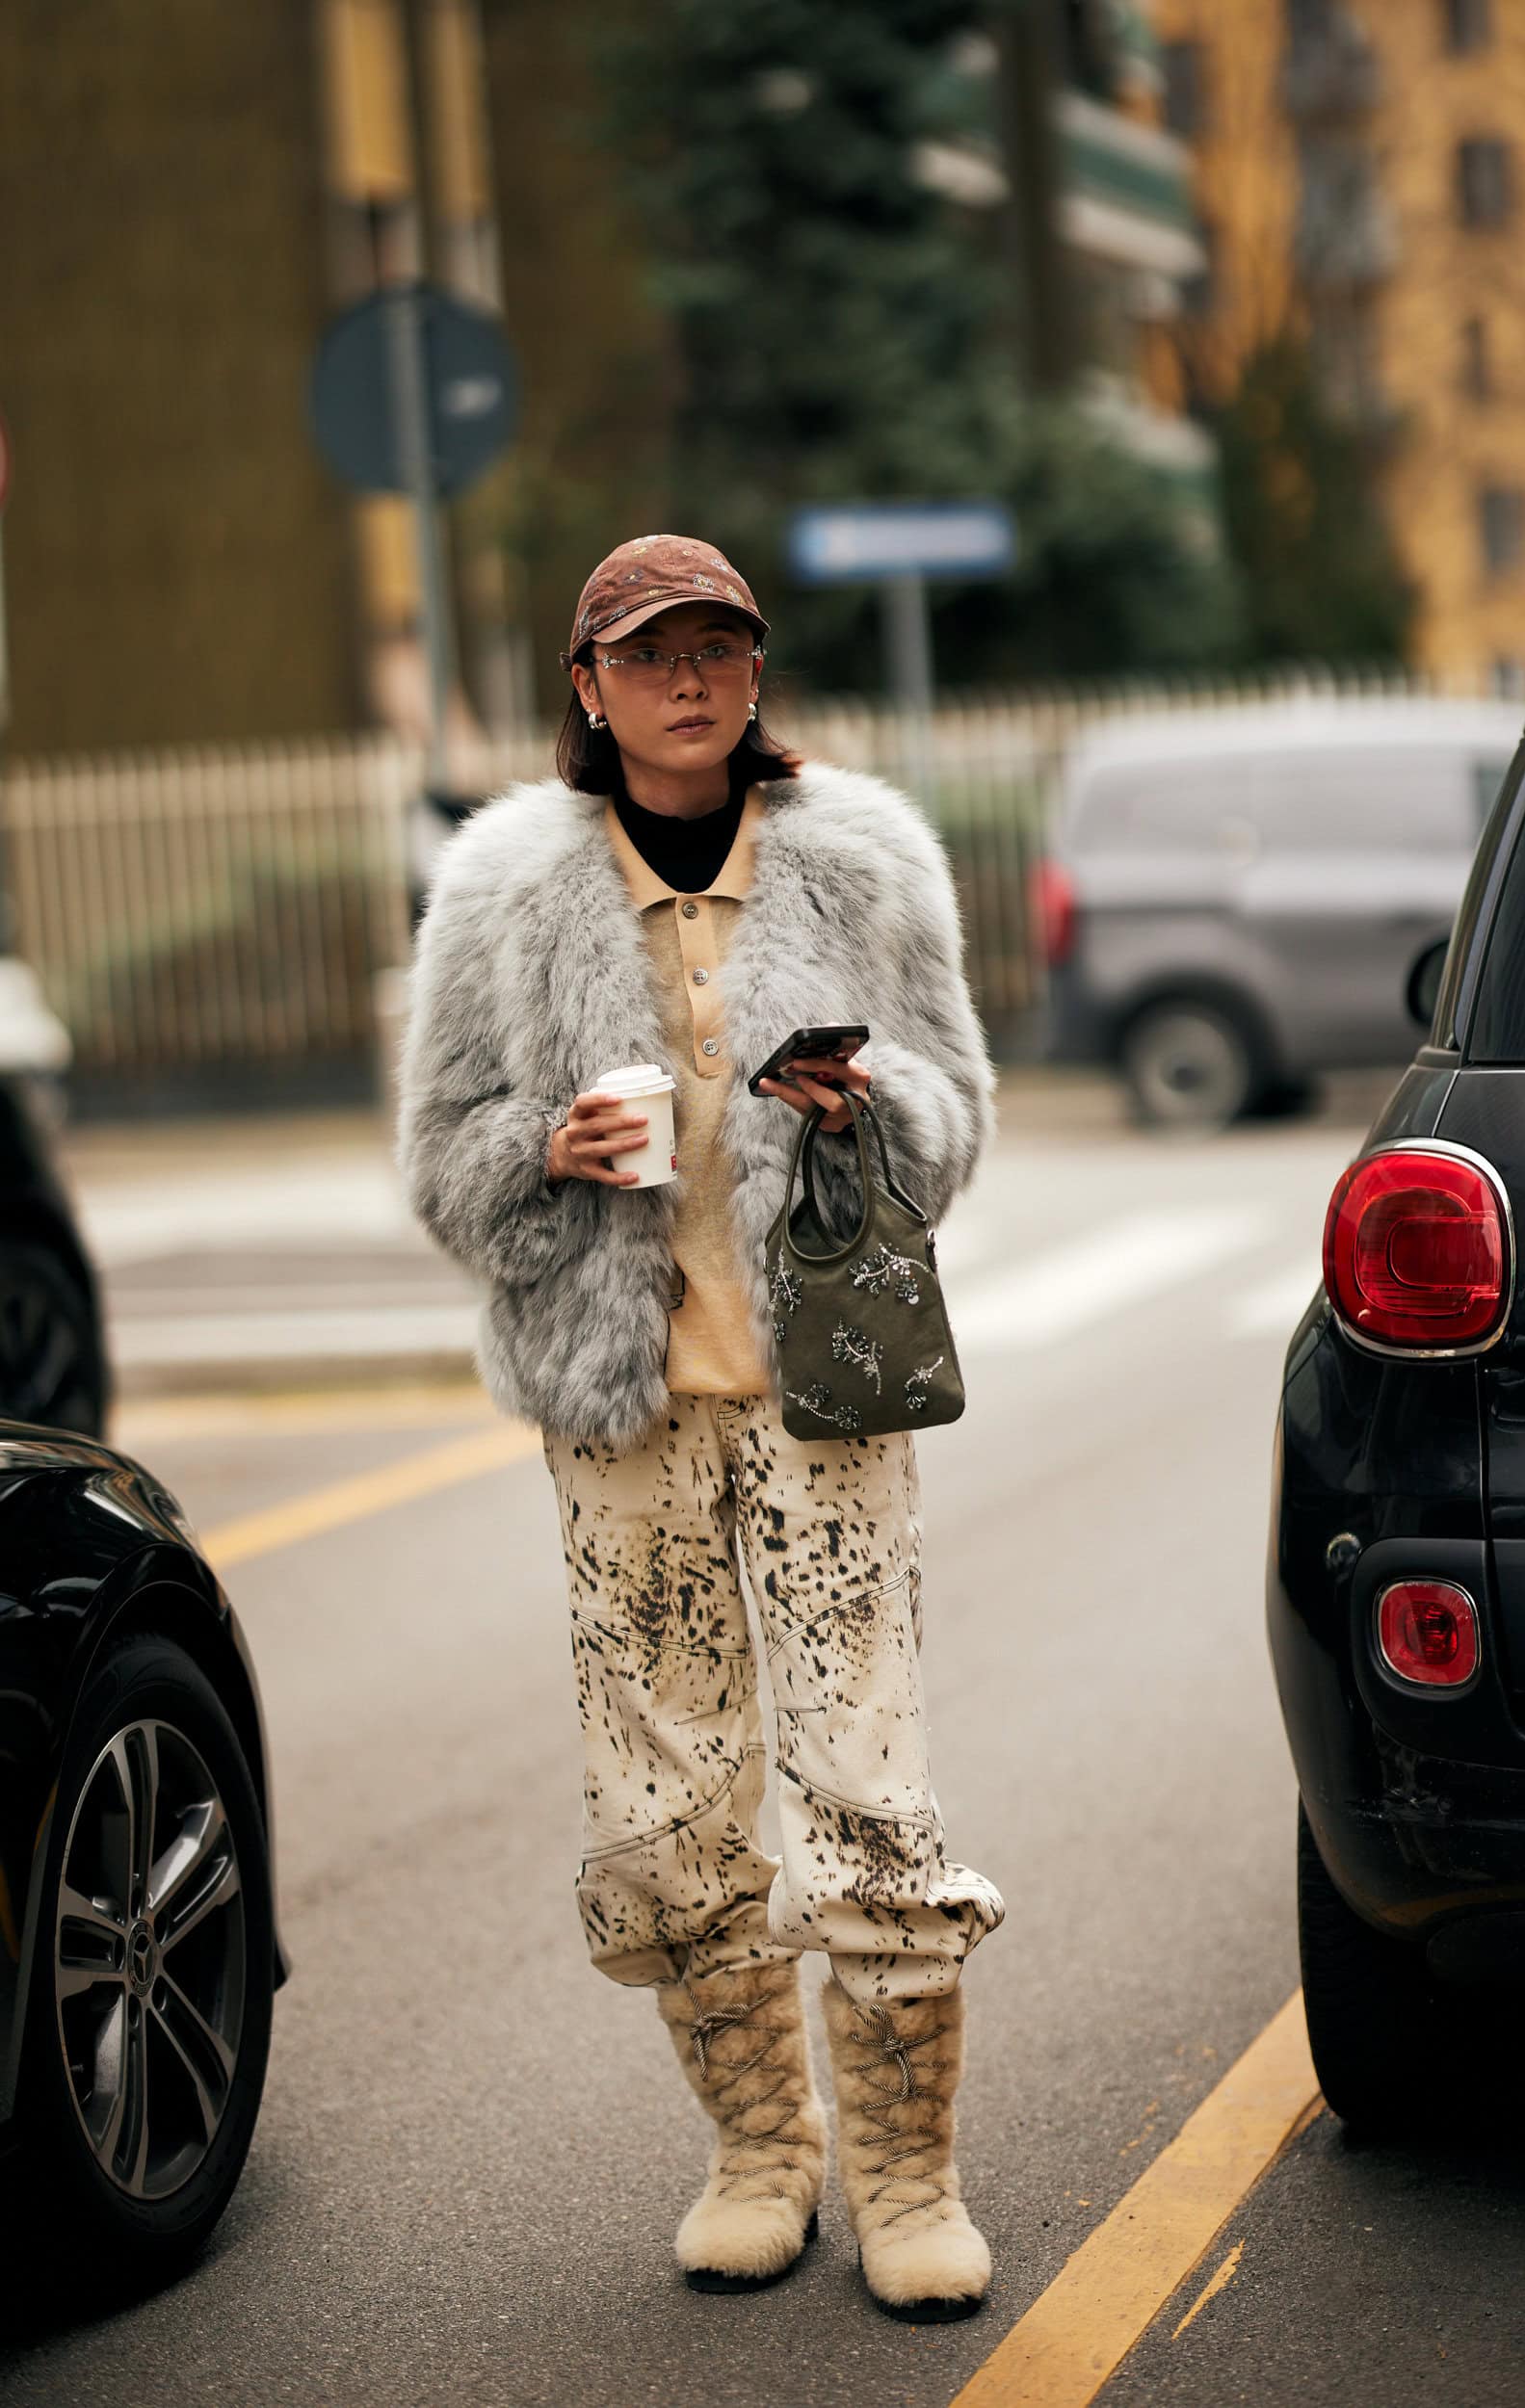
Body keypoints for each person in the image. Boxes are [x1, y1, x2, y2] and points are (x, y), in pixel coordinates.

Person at [396, 534, 1004, 2322]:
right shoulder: (506, 888)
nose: (691, 678)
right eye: (652, 652)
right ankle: (761, 2152)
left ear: (757, 673)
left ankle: (906, 2178)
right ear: (587, 686)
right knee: (664, 1814)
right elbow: (443, 1158)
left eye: (722, 646)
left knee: (870, 1794)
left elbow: (958, 1109)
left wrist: (865, 1104)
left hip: (828, 1399)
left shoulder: (865, 860)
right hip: (620, 1414)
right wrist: (542, 1153)